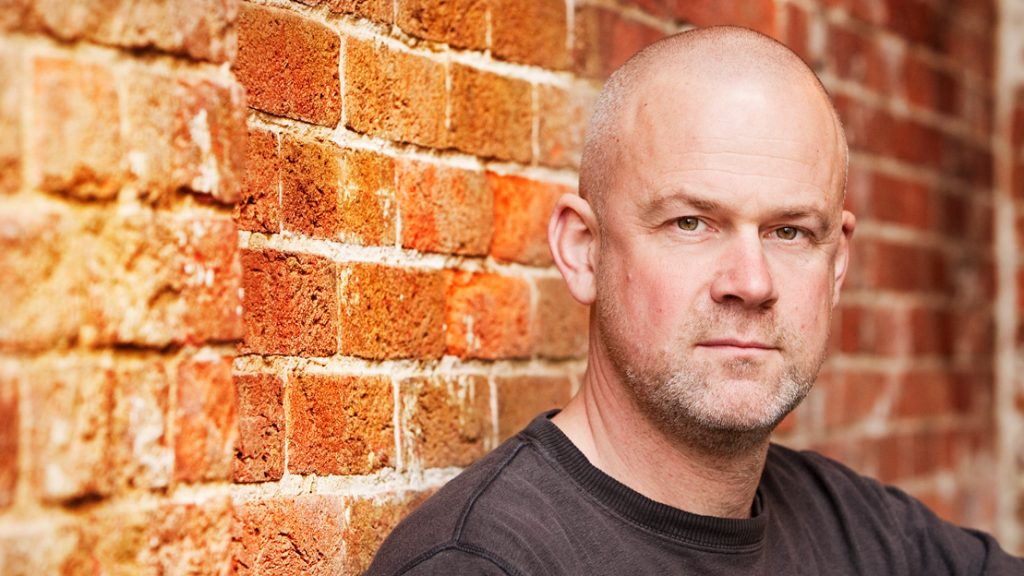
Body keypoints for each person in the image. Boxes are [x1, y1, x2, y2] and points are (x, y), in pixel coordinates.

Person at [366, 26, 1024, 574]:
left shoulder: (871, 540)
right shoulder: (488, 563)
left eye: (789, 231)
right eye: (691, 223)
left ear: (836, 265)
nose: (752, 282)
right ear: (584, 251)